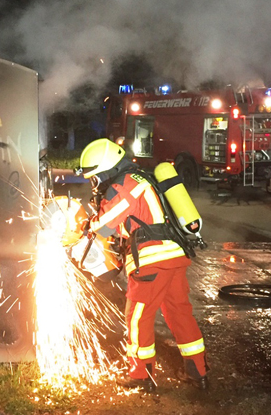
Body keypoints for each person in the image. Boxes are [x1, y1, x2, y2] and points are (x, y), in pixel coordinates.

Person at [78, 138, 209, 392]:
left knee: (137, 318)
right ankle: (198, 372)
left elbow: (105, 224)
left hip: (152, 262)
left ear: (107, 169)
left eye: (95, 177)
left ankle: (141, 376)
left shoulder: (124, 185)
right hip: (173, 257)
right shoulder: (140, 178)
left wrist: (86, 225)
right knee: (179, 313)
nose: (95, 183)